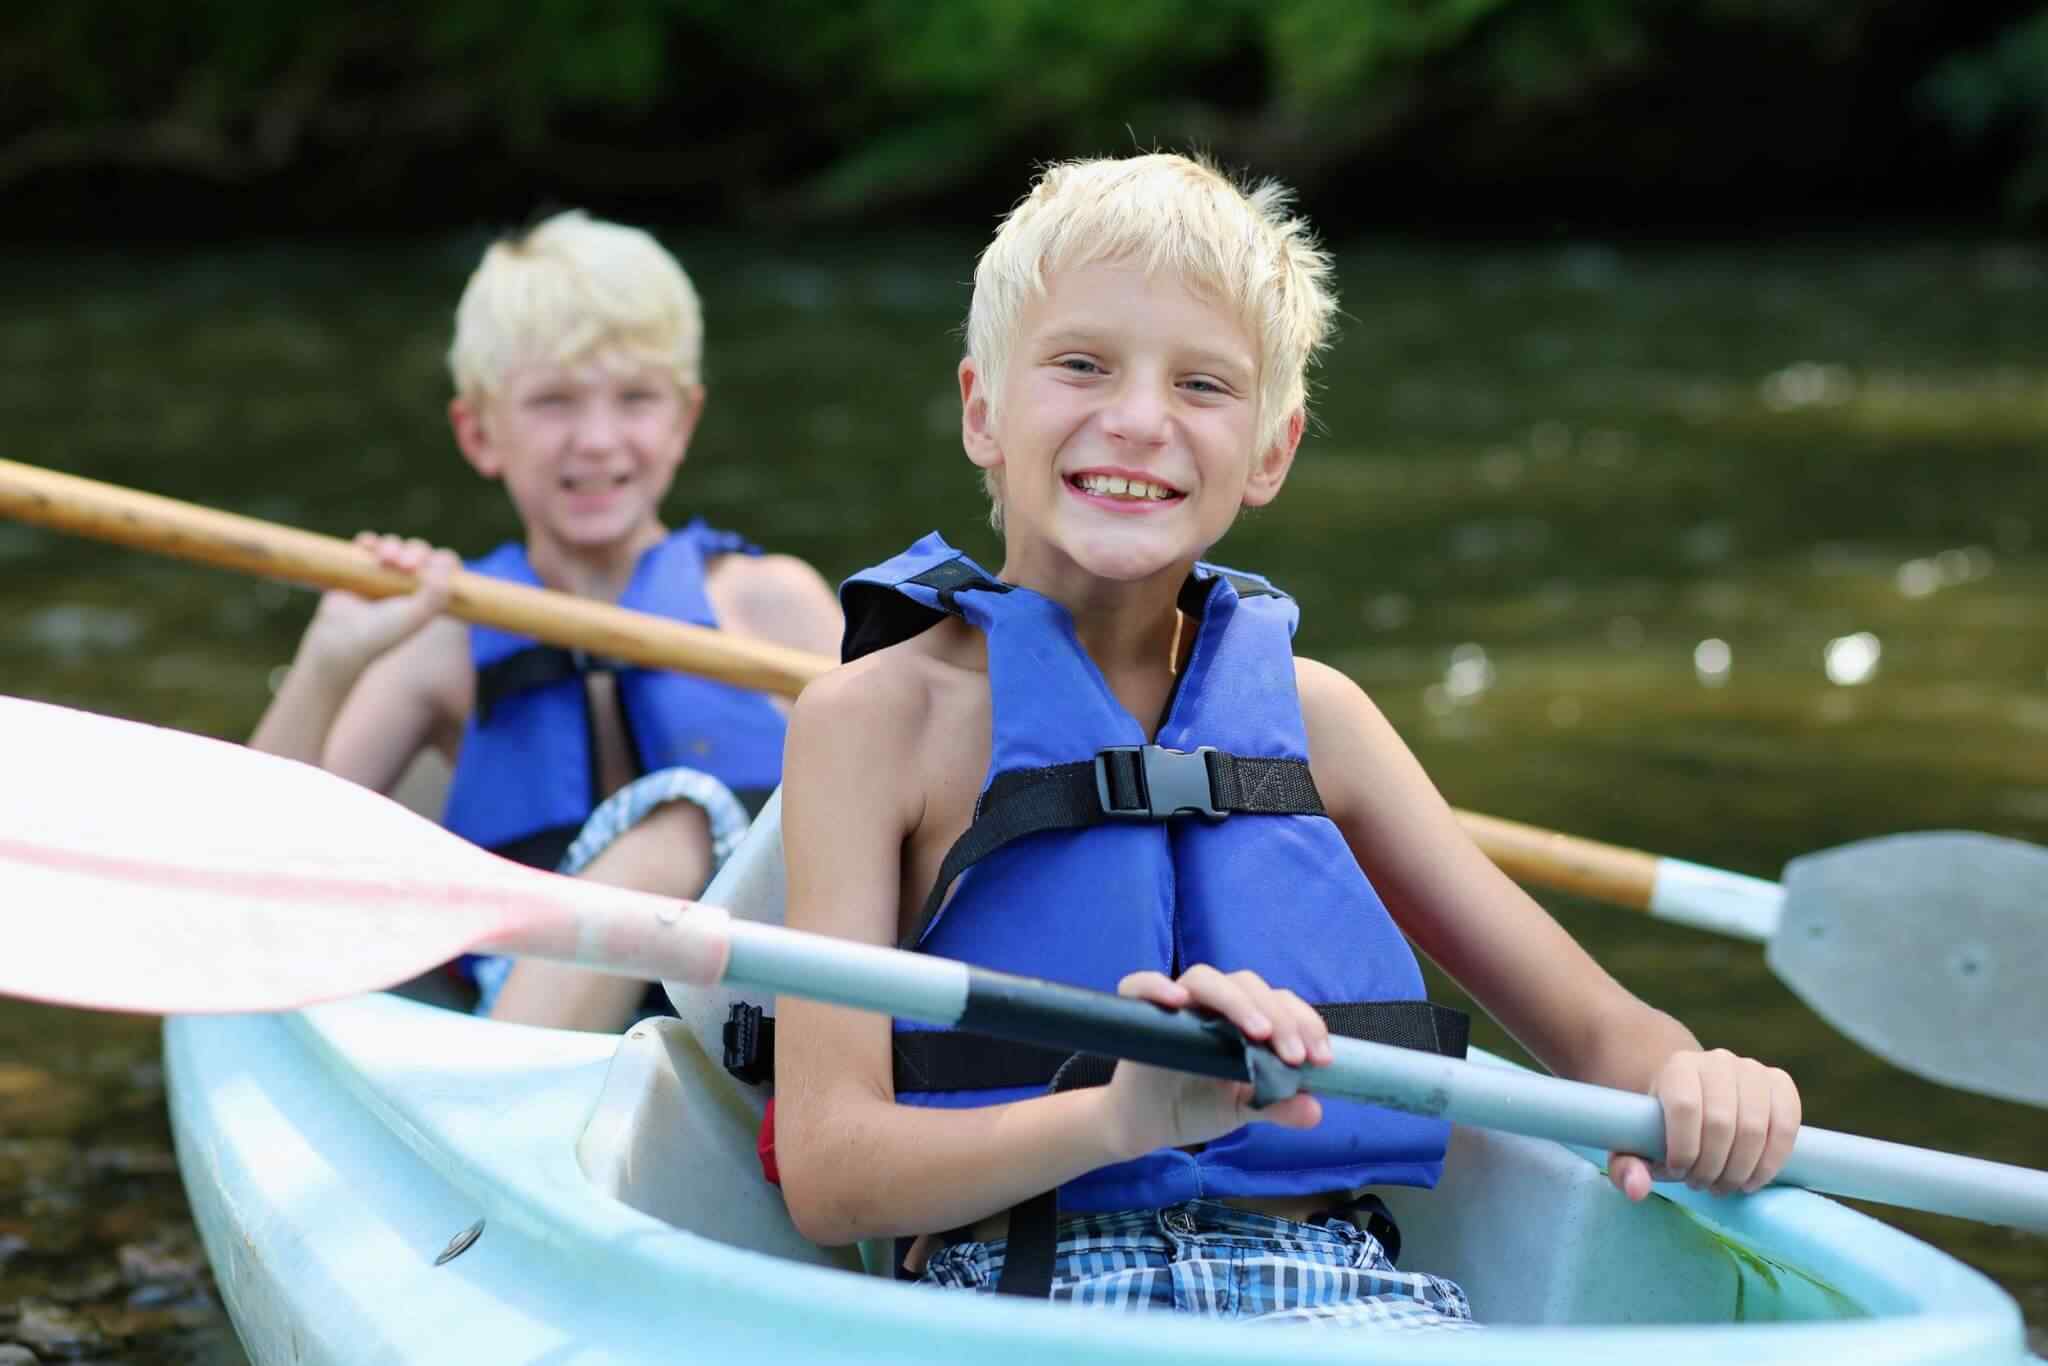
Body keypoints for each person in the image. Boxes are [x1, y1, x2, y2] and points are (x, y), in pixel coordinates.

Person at [769, 154, 1801, 1326]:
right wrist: (1118, 1117)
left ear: (1270, 449)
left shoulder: (1322, 722)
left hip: (1346, 1300)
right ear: (981, 411)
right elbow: (828, 1168)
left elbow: (1604, 1032)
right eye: (1079, 364)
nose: (1139, 419)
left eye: (1202, 385)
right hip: (1026, 1298)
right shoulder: (871, 724)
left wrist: (1698, 1079)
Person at [250, 210, 842, 1032]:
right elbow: (254, 869)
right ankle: (495, 1096)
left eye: (635, 399)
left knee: (683, 823)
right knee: (668, 831)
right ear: (479, 432)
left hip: (750, 1018)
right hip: (525, 1023)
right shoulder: (440, 644)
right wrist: (328, 662)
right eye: (554, 403)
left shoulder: (772, 605)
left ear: (684, 422)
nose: (597, 441)